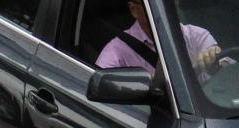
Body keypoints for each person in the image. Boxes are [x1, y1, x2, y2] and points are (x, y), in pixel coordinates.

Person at [96, 0, 224, 80]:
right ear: (133, 9)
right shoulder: (117, 51)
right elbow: (98, 84)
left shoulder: (197, 36)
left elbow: (231, 71)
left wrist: (216, 65)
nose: (166, 9)